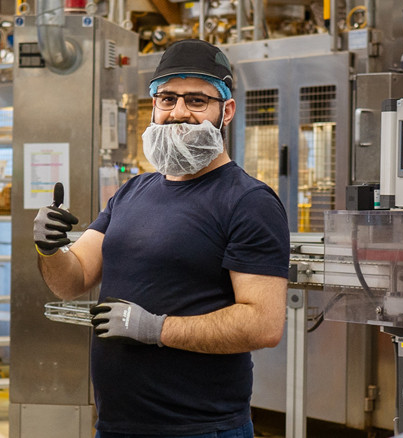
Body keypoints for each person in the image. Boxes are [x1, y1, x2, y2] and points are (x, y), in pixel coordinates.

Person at [32, 39, 290, 438]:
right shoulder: (133, 191)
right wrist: (50, 248)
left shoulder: (248, 201)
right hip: (117, 424)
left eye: (197, 101)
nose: (178, 113)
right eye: (167, 98)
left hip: (201, 428)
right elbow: (72, 280)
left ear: (227, 111)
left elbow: (263, 324)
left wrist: (155, 329)